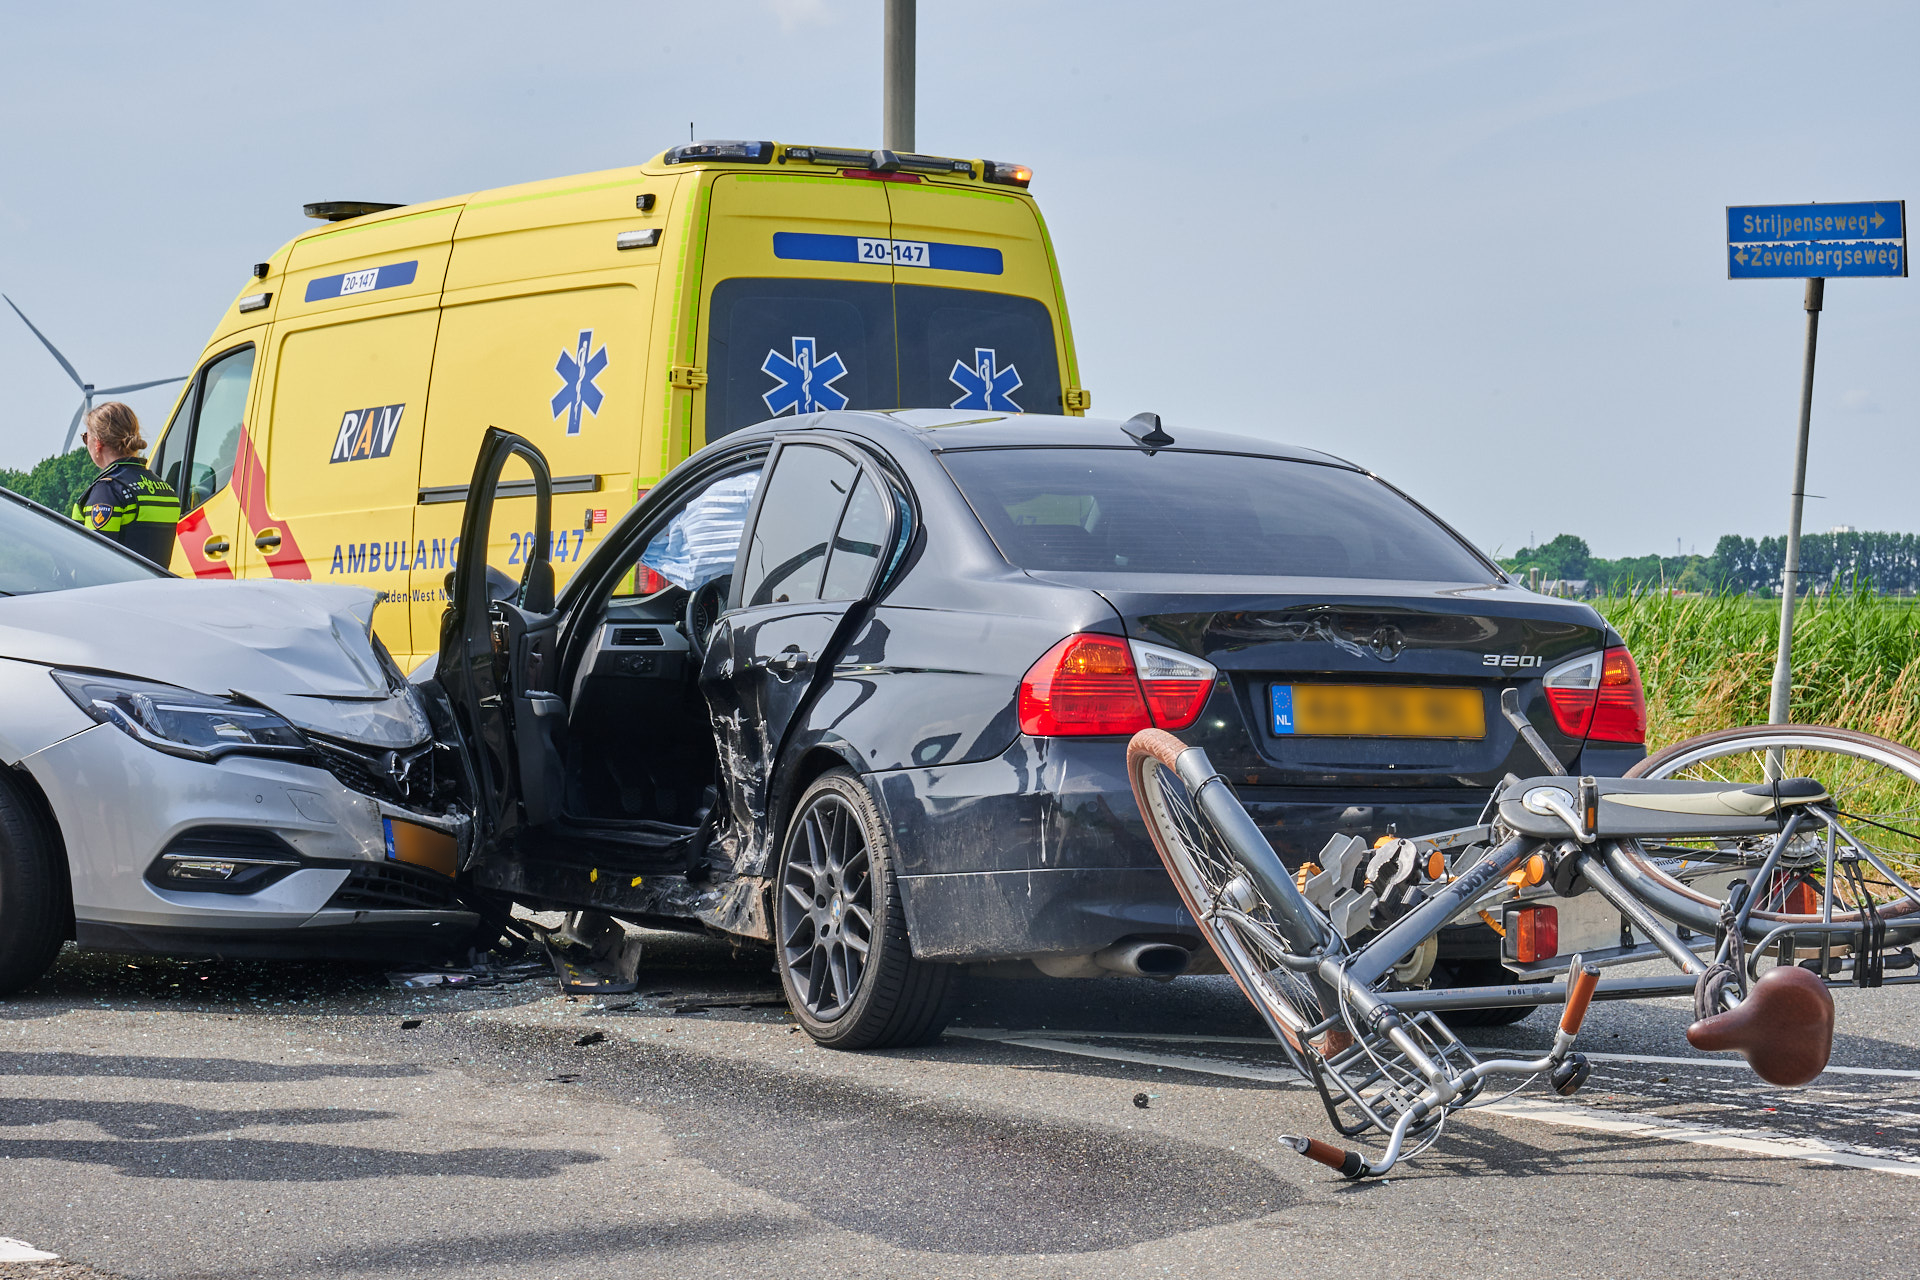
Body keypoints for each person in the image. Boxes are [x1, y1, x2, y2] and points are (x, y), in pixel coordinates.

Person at [67, 402, 181, 566]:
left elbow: (95, 562)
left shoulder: (107, 491)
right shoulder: (165, 490)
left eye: (86, 437)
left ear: (98, 443)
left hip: (117, 590)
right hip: (156, 589)